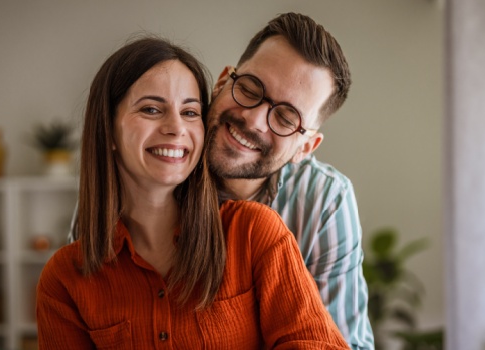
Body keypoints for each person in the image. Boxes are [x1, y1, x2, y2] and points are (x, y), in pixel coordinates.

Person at [66, 13, 374, 349]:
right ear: (223, 81)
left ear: (306, 147)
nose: (254, 119)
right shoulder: (134, 184)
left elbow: (345, 342)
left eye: (286, 118)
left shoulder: (324, 200)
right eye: (249, 88)